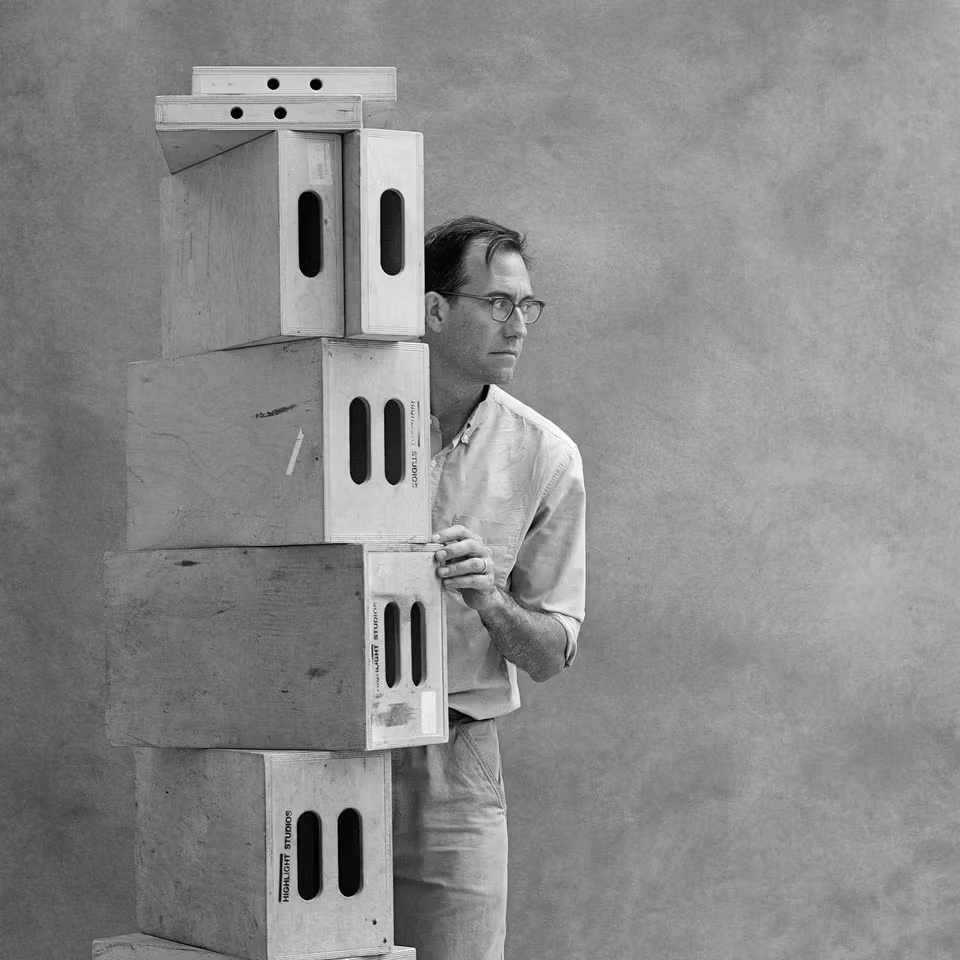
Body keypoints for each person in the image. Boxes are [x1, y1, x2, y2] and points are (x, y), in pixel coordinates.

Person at [391, 216, 587, 960]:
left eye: (527, 307)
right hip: (323, 740)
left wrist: (490, 599)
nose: (519, 325)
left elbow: (548, 654)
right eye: (499, 304)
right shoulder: (334, 421)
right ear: (435, 310)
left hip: (453, 757)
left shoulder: (546, 457)